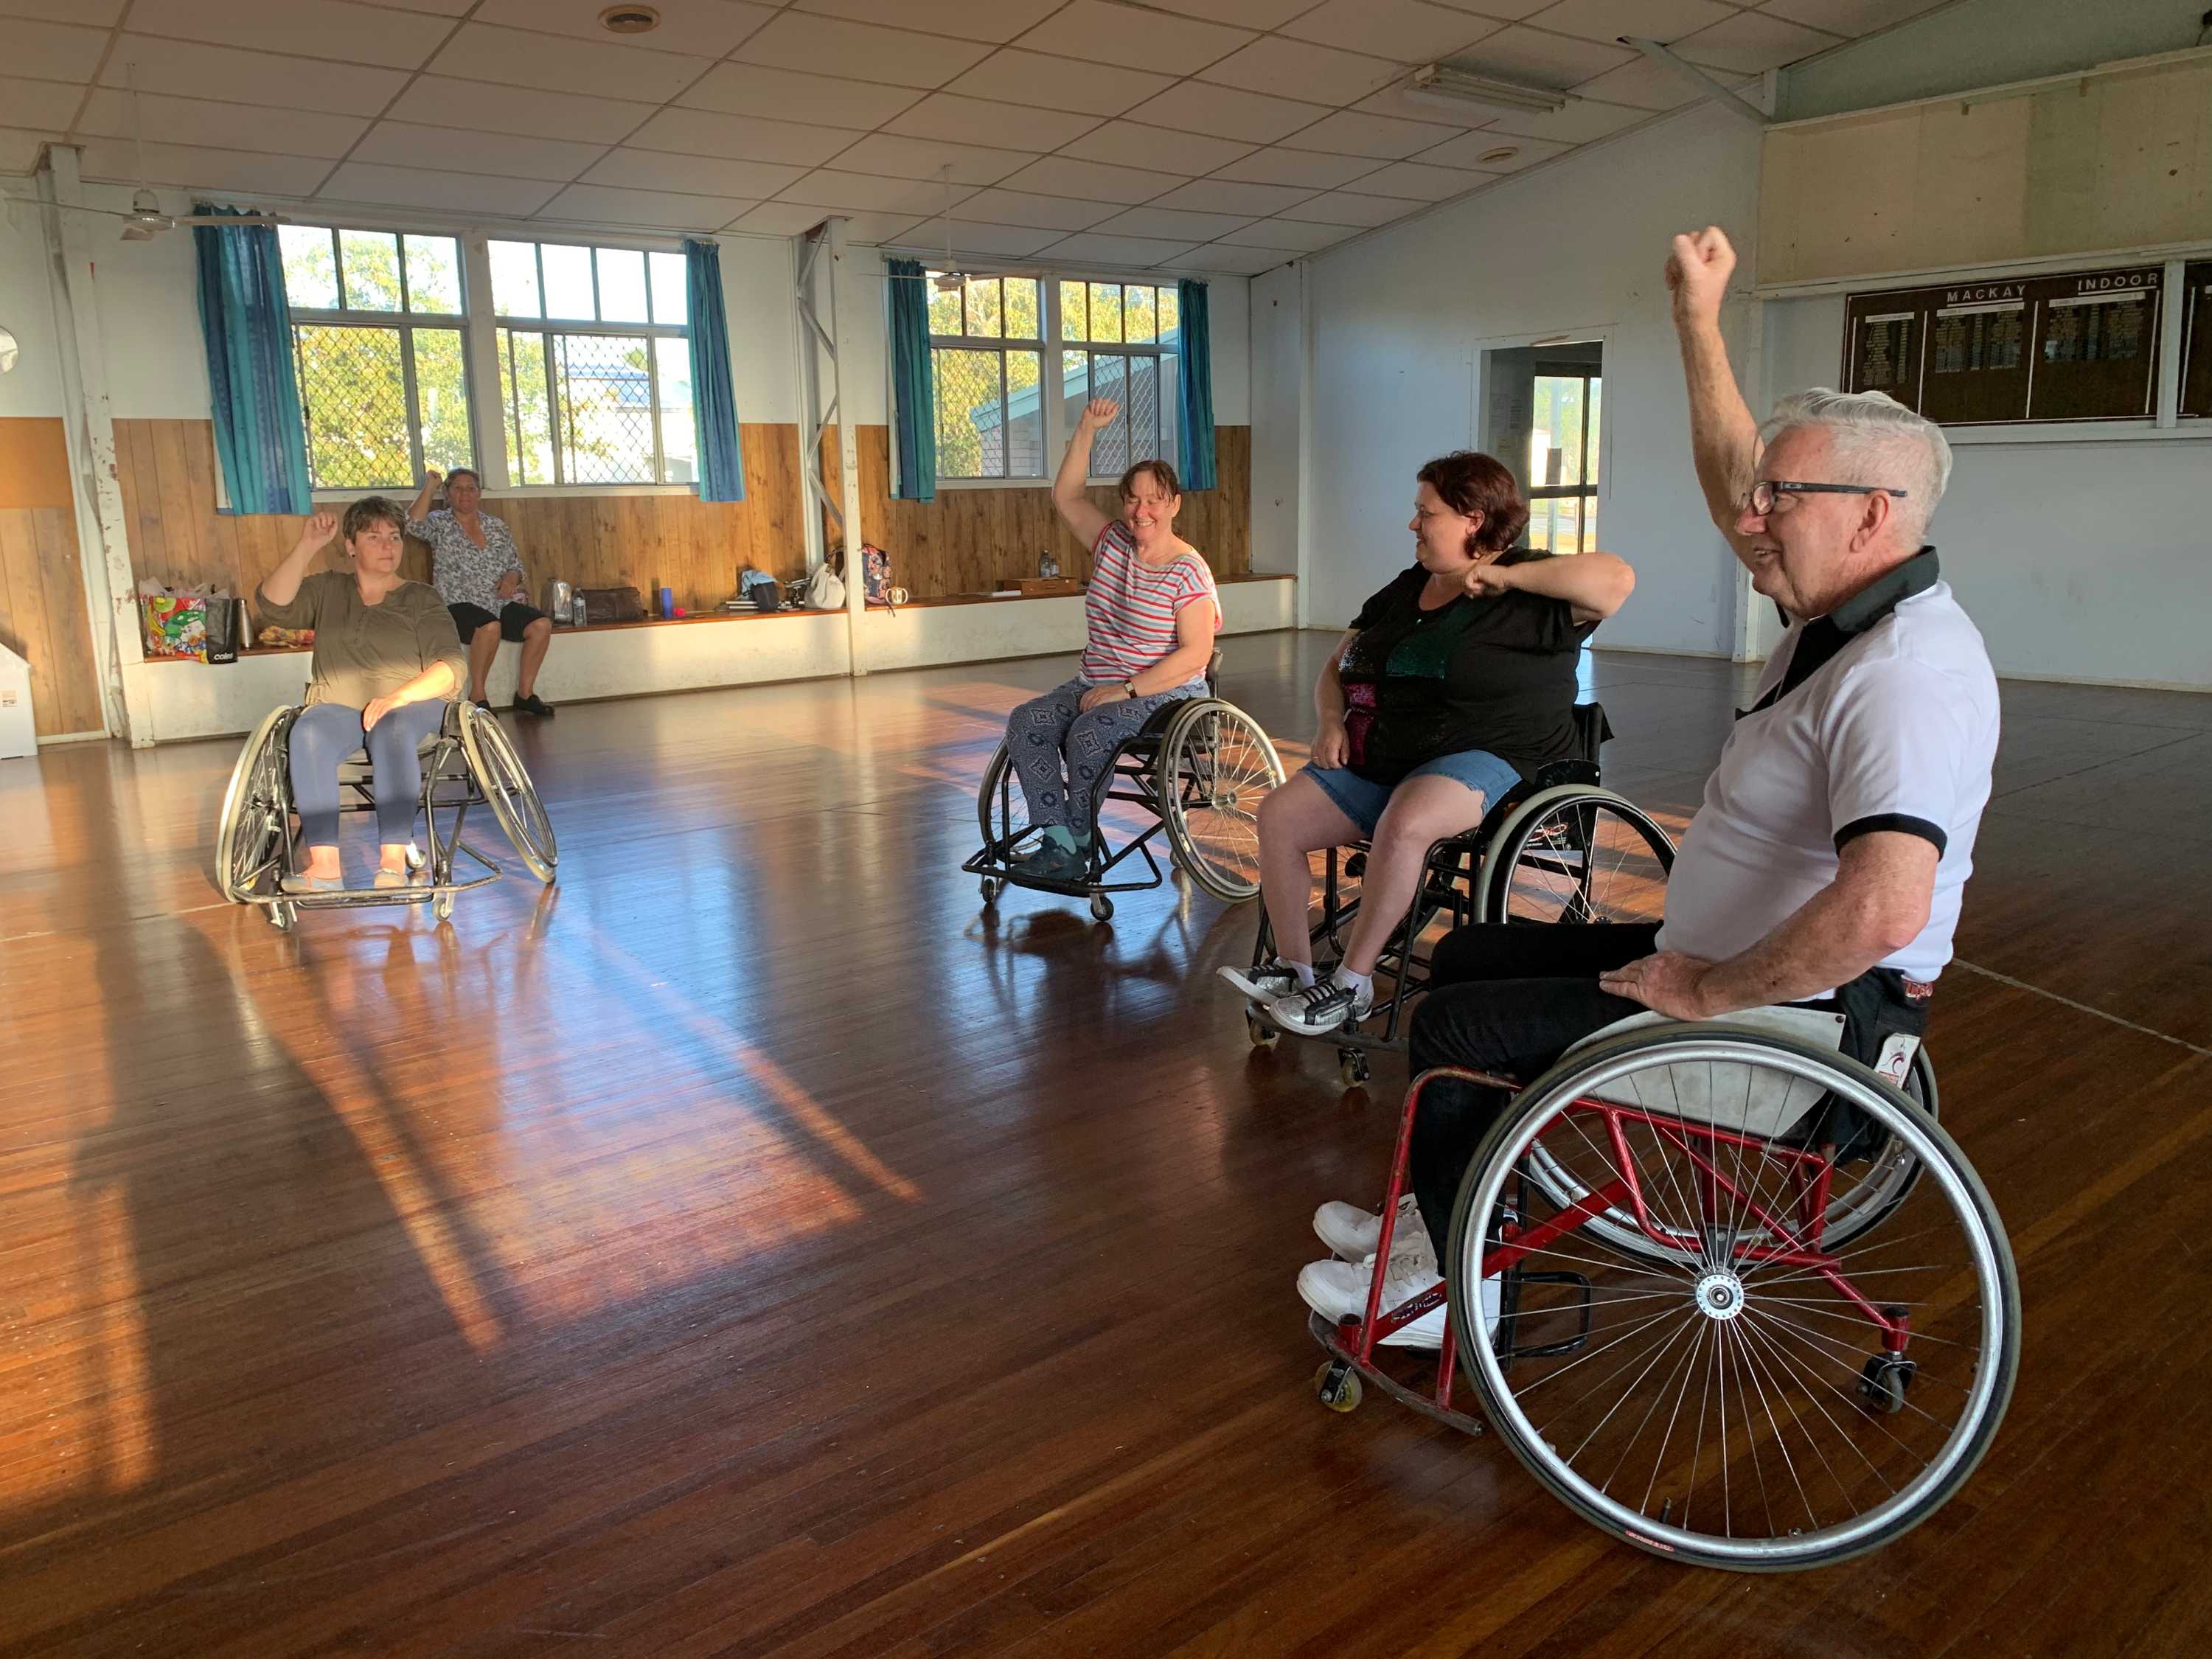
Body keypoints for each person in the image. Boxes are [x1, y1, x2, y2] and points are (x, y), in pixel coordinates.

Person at [1297, 225, 2000, 1344]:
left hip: (1799, 1022)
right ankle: (1455, 1214)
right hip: (1744, 971)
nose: (1754, 518)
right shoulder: (1841, 617)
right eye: (1766, 493)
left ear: (1874, 514)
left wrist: (1705, 995)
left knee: (1459, 1024)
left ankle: (1451, 1289)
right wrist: (1696, 321)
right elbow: (1733, 483)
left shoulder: (1906, 674)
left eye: (1788, 497)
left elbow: (1886, 907)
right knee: (1468, 956)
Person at [1224, 452, 1633, 1037]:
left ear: (1472, 518)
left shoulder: (1530, 590)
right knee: (1280, 816)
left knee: (1407, 819)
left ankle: (1353, 984)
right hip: (1390, 756)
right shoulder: (1408, 587)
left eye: (1425, 512)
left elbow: (1618, 580)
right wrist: (1331, 721)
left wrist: (1505, 576)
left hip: (1496, 757)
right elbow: (1340, 664)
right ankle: (1296, 970)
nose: (1413, 524)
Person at [999, 397, 1220, 882]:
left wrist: (1125, 690)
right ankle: (1057, 838)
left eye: (1155, 500)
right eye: (1133, 499)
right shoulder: (1113, 542)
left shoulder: (1188, 571)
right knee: (1027, 721)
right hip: (1095, 682)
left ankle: (1078, 840)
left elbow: (1196, 654)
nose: (1142, 511)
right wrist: (1086, 428)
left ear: (1175, 505)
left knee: (1090, 730)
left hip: (1164, 694)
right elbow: (1066, 497)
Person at [254, 497, 469, 893]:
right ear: (351, 545)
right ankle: (325, 869)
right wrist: (307, 546)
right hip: (339, 707)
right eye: (374, 537)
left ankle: (391, 863)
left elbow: (451, 668)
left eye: (394, 537)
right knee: (307, 731)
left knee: (391, 728)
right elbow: (274, 605)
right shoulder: (329, 589)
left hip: (411, 706)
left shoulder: (421, 597)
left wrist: (397, 698)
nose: (388, 546)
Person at [406, 467, 554, 717]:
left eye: (471, 488)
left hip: (497, 603)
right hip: (456, 604)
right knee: (490, 626)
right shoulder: (440, 523)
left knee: (541, 624)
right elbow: (412, 524)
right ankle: (478, 696)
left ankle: (525, 694)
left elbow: (515, 565)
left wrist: (512, 576)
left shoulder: (496, 526)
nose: (465, 493)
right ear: (448, 493)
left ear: (479, 494)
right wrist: (430, 486)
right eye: (458, 488)